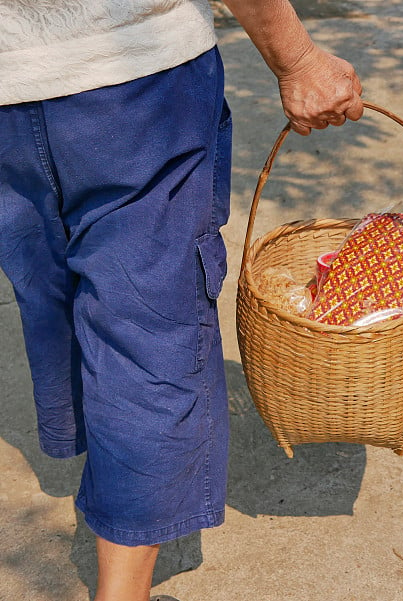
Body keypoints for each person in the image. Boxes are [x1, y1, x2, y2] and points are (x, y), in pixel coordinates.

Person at [0, 2, 363, 600]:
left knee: (56, 300)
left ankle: (109, 487)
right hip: (129, 82)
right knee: (143, 337)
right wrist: (296, 58)